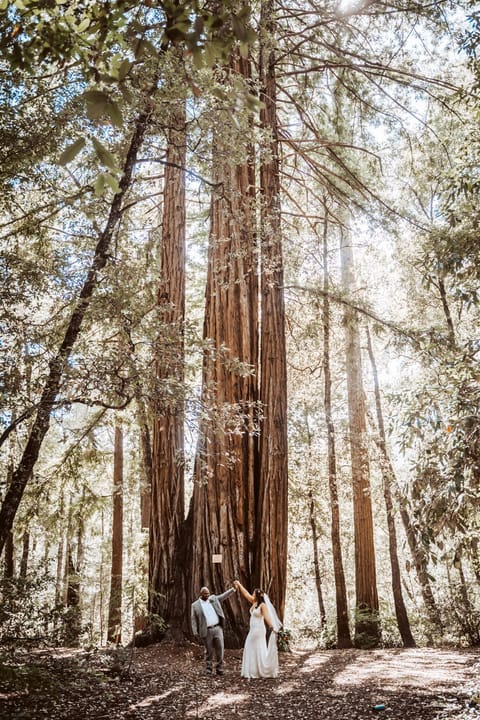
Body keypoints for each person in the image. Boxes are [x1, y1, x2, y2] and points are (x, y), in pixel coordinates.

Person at [233, 580, 282, 679]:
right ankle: (253, 670)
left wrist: (272, 627)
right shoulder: (254, 602)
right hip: (253, 630)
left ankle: (256, 670)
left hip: (258, 630)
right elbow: (246, 594)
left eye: (254, 593)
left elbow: (267, 617)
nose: (252, 594)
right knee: (251, 647)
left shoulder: (262, 606)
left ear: (257, 595)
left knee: (255, 647)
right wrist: (239, 584)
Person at [191, 584, 236, 676]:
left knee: (220, 649)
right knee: (209, 651)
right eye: (205, 594)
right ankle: (208, 669)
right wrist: (195, 632)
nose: (207, 595)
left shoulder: (213, 599)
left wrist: (233, 589)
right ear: (201, 594)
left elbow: (224, 596)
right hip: (206, 631)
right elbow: (193, 619)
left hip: (217, 628)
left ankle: (219, 668)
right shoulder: (195, 605)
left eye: (208, 593)